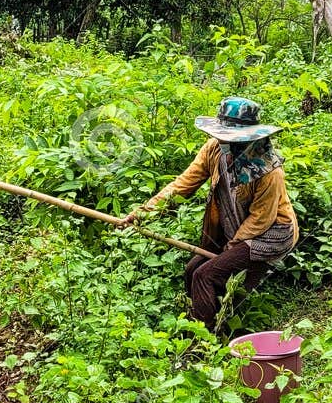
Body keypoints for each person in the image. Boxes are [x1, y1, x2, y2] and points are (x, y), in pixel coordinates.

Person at [123, 97, 299, 335]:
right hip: (233, 226)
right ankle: (204, 324)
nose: (226, 141)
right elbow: (183, 185)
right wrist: (143, 214)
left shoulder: (268, 170)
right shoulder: (213, 149)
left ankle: (204, 342)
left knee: (206, 275)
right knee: (192, 270)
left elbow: (262, 218)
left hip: (269, 234)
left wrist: (233, 247)